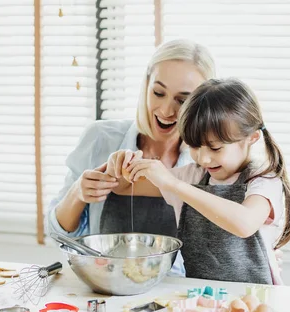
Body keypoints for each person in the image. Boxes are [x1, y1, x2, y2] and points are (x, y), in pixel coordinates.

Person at [46, 40, 216, 276]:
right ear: (146, 86)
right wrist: (78, 193)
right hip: (104, 287)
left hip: (175, 298)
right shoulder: (100, 138)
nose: (167, 110)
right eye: (158, 93)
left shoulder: (207, 163)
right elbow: (58, 235)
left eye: (182, 100)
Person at [106, 78, 290, 285]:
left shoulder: (262, 179)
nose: (203, 159)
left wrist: (174, 185)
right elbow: (122, 186)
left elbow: (245, 223)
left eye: (215, 148)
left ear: (251, 138)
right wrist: (122, 163)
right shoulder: (193, 176)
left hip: (255, 298)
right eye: (194, 147)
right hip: (201, 297)